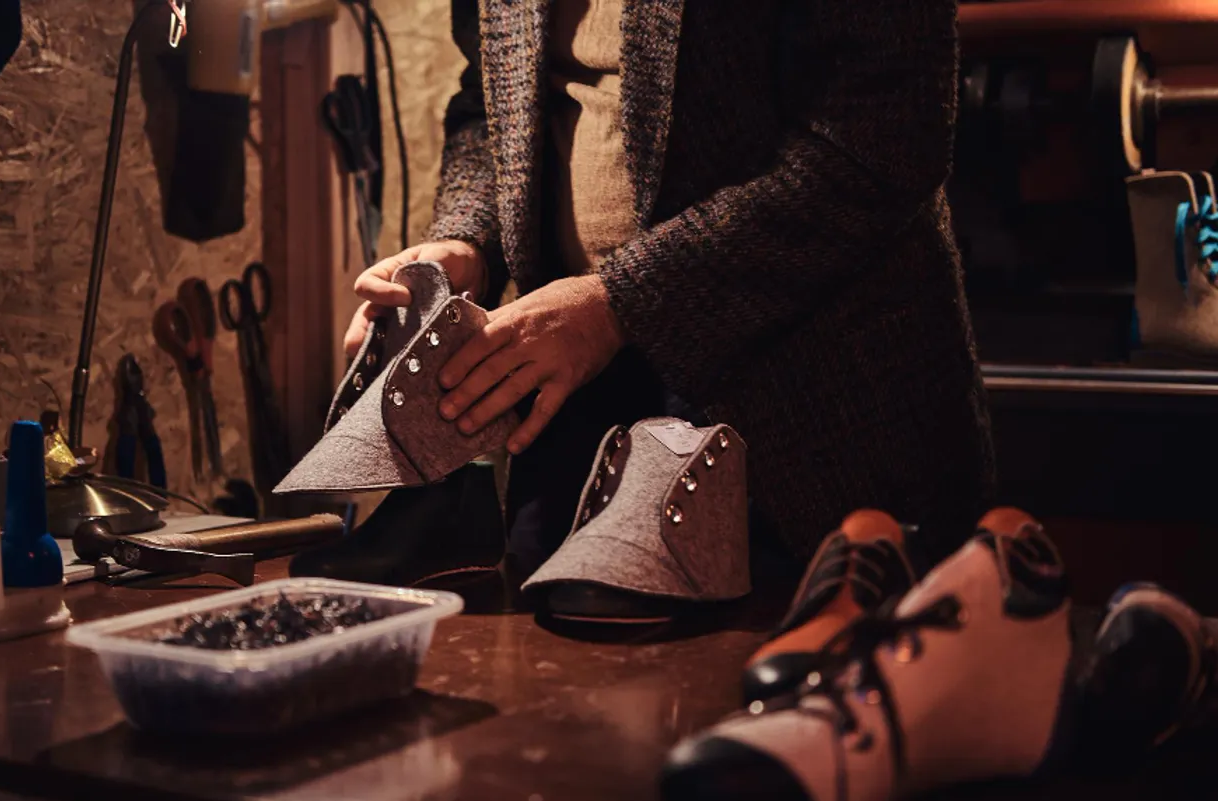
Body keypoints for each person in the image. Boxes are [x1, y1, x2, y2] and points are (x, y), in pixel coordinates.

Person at [345, 0, 993, 578]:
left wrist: (622, 302)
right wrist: (467, 241)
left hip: (805, 406)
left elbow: (881, 142)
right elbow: (490, 102)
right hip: (576, 387)